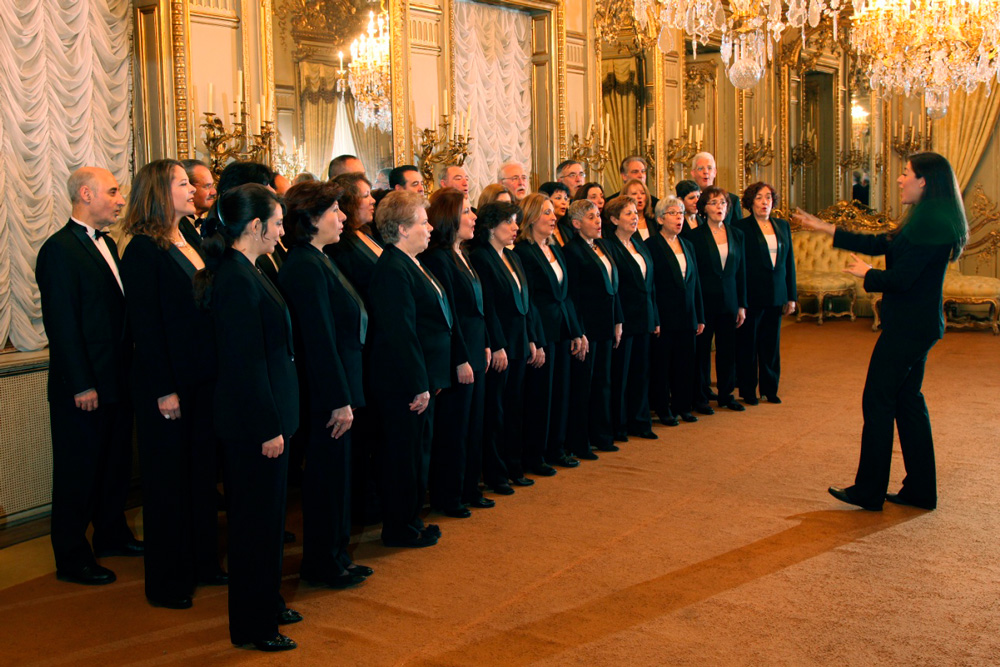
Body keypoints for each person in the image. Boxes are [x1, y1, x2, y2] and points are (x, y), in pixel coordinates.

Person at [794, 152, 968, 512]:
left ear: (924, 181)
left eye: (906, 174)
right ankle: (920, 491)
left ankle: (869, 490)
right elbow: (884, 244)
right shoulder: (926, 217)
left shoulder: (932, 222)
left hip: (909, 327)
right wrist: (827, 228)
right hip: (916, 325)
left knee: (877, 400)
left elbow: (902, 279)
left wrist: (867, 274)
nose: (901, 180)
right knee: (907, 402)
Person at [194, 183, 299, 652]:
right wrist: (267, 427)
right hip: (254, 426)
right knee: (254, 528)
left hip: (268, 416)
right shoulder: (235, 278)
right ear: (255, 227)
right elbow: (244, 363)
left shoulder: (249, 268)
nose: (281, 232)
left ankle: (268, 602)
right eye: (276, 223)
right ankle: (253, 626)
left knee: (268, 522)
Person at [119, 159, 223, 609]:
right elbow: (147, 326)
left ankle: (202, 562)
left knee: (200, 477)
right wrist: (165, 388)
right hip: (168, 385)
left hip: (201, 378)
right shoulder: (143, 249)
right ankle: (166, 582)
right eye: (182, 183)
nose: (192, 189)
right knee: (168, 484)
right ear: (160, 192)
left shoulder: (193, 236)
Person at [36, 167, 140, 586]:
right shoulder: (59, 249)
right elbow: (62, 325)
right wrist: (82, 383)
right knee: (78, 473)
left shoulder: (109, 245)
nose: (119, 200)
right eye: (112, 192)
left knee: (113, 466)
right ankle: (72, 556)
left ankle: (111, 534)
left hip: (115, 381)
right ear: (85, 193)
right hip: (83, 387)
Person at [278, 180, 371, 588]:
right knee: (325, 481)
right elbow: (318, 340)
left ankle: (336, 553)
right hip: (325, 396)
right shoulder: (303, 264)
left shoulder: (319, 257)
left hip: (340, 387)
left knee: (339, 479)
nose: (344, 216)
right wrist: (338, 400)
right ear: (312, 219)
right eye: (335, 210)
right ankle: (321, 562)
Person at [367, 191, 452, 547]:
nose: (430, 228)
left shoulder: (413, 262)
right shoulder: (392, 269)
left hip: (423, 379)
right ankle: (399, 527)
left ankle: (411, 519)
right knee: (403, 456)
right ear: (401, 229)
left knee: (418, 453)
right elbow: (400, 333)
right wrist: (418, 383)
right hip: (403, 384)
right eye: (422, 222)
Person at [419, 188, 494, 516]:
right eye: (466, 212)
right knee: (454, 430)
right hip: (458, 357)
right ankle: (448, 496)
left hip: (477, 352)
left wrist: (488, 343)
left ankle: (468, 488)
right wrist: (461, 358)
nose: (474, 217)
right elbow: (449, 317)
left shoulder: (462, 252)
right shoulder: (438, 257)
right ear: (450, 217)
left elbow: (478, 308)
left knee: (474, 426)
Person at [515, 193, 585, 474]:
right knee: (540, 396)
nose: (553, 217)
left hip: (562, 330)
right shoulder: (523, 251)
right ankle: (535, 455)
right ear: (531, 217)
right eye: (546, 212)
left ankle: (557, 447)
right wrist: (536, 338)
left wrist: (577, 331)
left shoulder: (555, 248)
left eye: (553, 212)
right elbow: (529, 300)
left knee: (561, 392)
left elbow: (566, 295)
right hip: (541, 332)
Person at [470, 202, 538, 492]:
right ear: (490, 227)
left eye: (516, 222)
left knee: (515, 408)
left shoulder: (513, 256)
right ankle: (496, 473)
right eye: (509, 223)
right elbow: (489, 308)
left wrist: (533, 339)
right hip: (501, 346)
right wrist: (497, 345)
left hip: (520, 342)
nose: (515, 228)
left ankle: (514, 465)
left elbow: (526, 303)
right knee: (496, 412)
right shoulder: (481, 258)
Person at [562, 199, 623, 459]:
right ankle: (580, 441)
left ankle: (602, 434)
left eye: (598, 215)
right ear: (576, 224)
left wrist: (618, 320)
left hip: (606, 323)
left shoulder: (603, 245)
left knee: (603, 382)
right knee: (583, 386)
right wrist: (579, 331)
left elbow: (613, 287)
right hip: (587, 327)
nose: (598, 221)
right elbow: (572, 296)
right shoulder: (571, 251)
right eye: (591, 217)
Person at [733, 182, 797, 405]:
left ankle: (770, 389)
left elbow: (789, 263)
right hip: (752, 296)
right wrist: (740, 300)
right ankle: (748, 390)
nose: (764, 202)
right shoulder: (741, 228)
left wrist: (791, 296)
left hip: (776, 295)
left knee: (771, 345)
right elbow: (738, 267)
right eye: (759, 198)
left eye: (768, 198)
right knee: (748, 345)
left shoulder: (782, 226)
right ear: (750, 202)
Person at [602, 196, 659, 441]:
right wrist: (618, 319)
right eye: (628, 213)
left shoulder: (639, 242)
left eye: (635, 212)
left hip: (644, 316)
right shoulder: (608, 246)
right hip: (623, 319)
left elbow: (651, 285)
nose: (635, 217)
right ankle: (620, 424)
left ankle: (640, 421)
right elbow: (613, 288)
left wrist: (654, 316)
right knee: (621, 374)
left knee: (641, 372)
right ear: (614, 219)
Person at [646, 197, 705, 425]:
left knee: (685, 364)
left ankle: (683, 406)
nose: (679, 218)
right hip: (665, 316)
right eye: (672, 213)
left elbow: (695, 282)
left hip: (688, 315)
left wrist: (699, 315)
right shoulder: (651, 245)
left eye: (681, 213)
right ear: (661, 218)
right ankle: (663, 409)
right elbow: (651, 286)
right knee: (663, 366)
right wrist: (656, 318)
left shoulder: (687, 244)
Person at [688, 186, 747, 413]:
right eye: (713, 203)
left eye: (722, 202)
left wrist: (742, 304)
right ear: (704, 208)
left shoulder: (736, 234)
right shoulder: (694, 237)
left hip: (730, 301)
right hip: (705, 303)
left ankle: (726, 394)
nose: (719, 207)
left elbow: (741, 271)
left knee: (727, 350)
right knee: (702, 351)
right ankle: (701, 396)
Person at [690, 152, 742, 226]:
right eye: (700, 168)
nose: (705, 172)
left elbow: (738, 232)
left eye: (709, 168)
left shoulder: (732, 200)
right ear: (693, 173)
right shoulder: (689, 201)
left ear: (715, 172)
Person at [537, 181, 575, 247]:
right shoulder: (541, 232)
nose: (564, 202)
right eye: (558, 198)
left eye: (565, 199)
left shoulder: (568, 231)